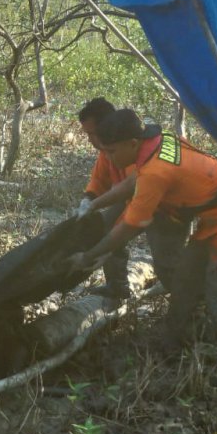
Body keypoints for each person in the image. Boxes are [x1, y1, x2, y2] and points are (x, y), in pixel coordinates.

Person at [69, 109, 217, 387]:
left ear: (132, 143)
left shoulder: (156, 172)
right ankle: (173, 345)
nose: (108, 158)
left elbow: (131, 225)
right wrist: (93, 204)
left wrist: (90, 255)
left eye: (111, 151)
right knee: (184, 281)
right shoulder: (154, 144)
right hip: (216, 217)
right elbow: (132, 182)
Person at [76, 97, 136, 301]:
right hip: (129, 197)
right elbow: (100, 179)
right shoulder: (108, 148)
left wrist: (108, 247)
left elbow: (137, 202)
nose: (90, 140)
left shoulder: (128, 148)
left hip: (163, 205)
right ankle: (117, 287)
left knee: (167, 259)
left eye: (91, 133)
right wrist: (88, 199)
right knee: (106, 227)